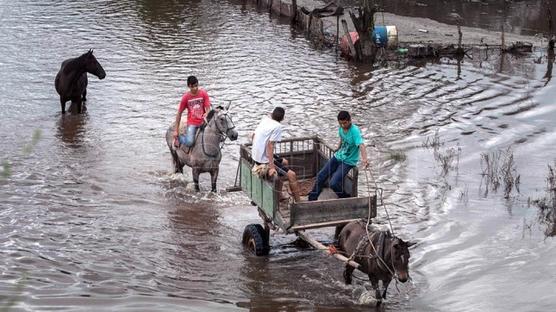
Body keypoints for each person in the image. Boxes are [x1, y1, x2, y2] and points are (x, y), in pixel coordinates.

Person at [308, 110, 368, 201]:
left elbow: (361, 145)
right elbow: (342, 138)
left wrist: (365, 159)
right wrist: (338, 147)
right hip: (338, 156)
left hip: (348, 161)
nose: (343, 126)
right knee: (321, 175)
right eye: (341, 124)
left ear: (350, 120)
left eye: (345, 123)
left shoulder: (355, 131)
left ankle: (345, 197)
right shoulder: (341, 128)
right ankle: (312, 199)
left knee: (333, 183)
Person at [251, 107, 301, 203]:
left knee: (285, 162)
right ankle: (299, 203)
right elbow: (270, 145)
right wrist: (271, 166)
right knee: (292, 175)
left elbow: (253, 136)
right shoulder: (277, 126)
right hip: (263, 161)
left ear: (271, 114)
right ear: (282, 118)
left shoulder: (265, 119)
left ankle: (279, 195)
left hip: (257, 157)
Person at [173, 76, 211, 148]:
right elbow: (179, 113)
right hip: (192, 123)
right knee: (190, 142)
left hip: (203, 122)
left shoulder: (203, 93)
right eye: (193, 87)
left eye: (196, 86)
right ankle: (180, 138)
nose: (195, 88)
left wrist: (207, 113)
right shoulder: (186, 97)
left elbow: (208, 108)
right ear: (189, 86)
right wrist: (176, 131)